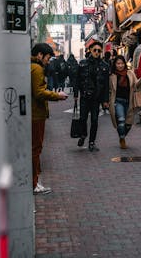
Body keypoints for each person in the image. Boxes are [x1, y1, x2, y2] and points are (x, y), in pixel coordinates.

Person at [31, 43, 68, 194]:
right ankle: (34, 183)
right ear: (40, 55)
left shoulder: (32, 67)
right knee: (36, 148)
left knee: (35, 148)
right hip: (36, 114)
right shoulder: (37, 68)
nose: (48, 61)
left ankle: (34, 180)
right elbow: (39, 92)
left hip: (34, 113)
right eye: (47, 57)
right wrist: (57, 96)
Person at [74, 41, 110, 152]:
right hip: (85, 96)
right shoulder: (82, 64)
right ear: (90, 50)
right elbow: (77, 80)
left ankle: (91, 142)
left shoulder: (105, 65)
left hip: (96, 98)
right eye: (95, 50)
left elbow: (106, 85)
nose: (97, 52)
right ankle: (83, 134)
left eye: (99, 51)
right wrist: (76, 94)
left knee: (94, 120)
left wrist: (105, 100)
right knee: (83, 118)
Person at [109, 55, 141, 149]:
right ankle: (122, 138)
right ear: (115, 65)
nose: (120, 65)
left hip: (129, 102)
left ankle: (123, 134)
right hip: (117, 101)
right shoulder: (112, 76)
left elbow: (135, 85)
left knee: (128, 124)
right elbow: (108, 89)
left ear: (124, 64)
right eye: (118, 63)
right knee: (121, 120)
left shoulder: (130, 73)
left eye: (121, 63)